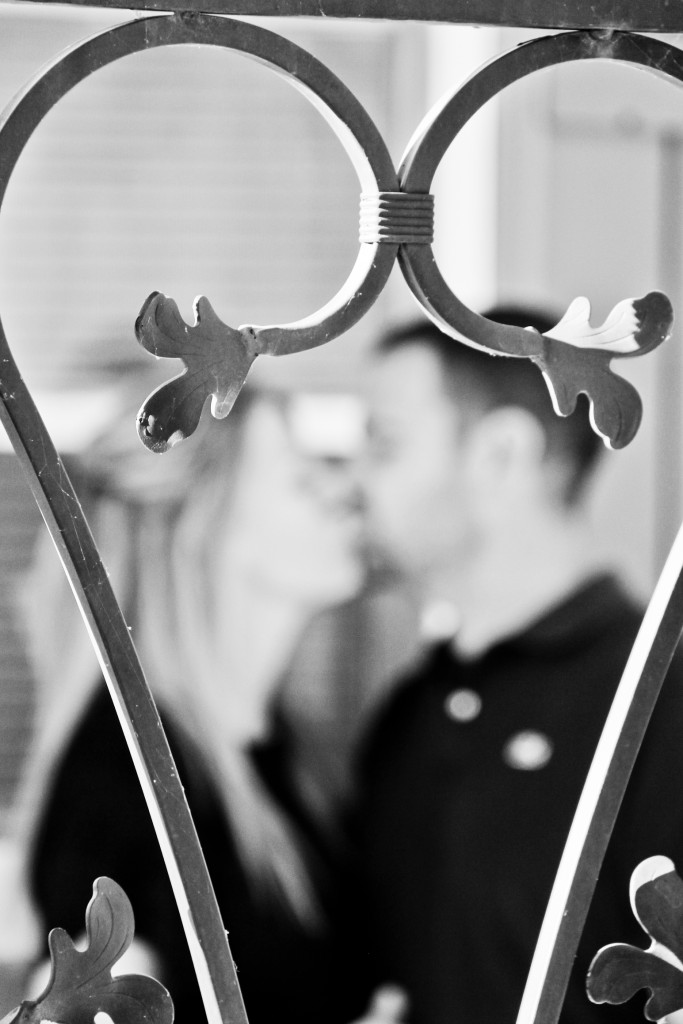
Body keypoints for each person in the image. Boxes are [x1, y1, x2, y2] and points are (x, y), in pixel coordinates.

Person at [350, 308, 683, 1024]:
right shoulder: (405, 715)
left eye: (385, 443)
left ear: (500, 456)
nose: (354, 480)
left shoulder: (662, 704)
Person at [2, 384, 368, 1024]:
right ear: (204, 525)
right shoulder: (124, 788)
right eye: (299, 478)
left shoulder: (283, 756)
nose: (345, 494)